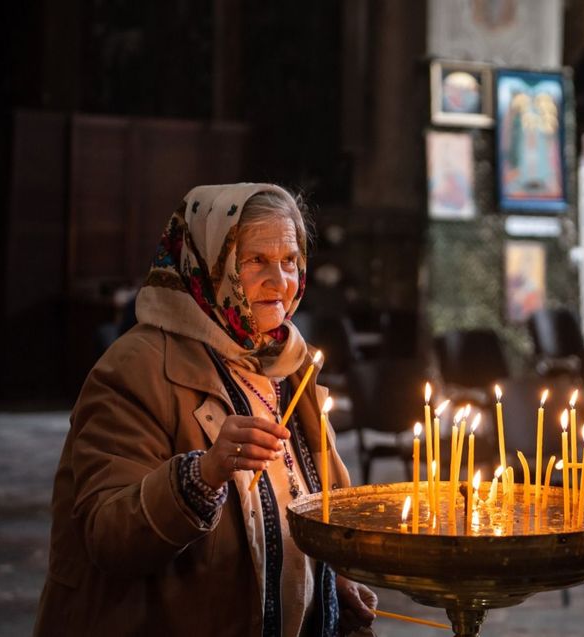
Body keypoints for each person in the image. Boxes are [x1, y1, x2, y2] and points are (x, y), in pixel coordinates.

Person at [35, 184, 378, 636]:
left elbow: (308, 504)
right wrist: (203, 474)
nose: (281, 281)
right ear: (206, 263)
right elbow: (108, 535)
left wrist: (331, 582)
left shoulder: (290, 364)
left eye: (290, 260)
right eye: (255, 260)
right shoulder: (136, 368)